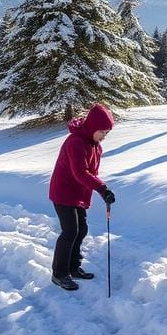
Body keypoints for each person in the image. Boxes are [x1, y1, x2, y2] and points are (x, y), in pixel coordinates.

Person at [48, 103, 117, 291]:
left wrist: (99, 191)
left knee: (82, 229)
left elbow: (91, 173)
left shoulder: (95, 146)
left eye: (106, 133)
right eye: (102, 131)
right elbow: (80, 172)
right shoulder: (75, 142)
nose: (104, 136)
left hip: (77, 193)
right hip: (63, 192)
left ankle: (73, 267)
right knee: (70, 231)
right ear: (93, 127)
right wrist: (102, 189)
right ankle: (59, 274)